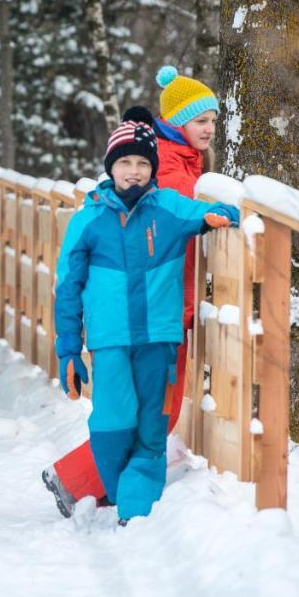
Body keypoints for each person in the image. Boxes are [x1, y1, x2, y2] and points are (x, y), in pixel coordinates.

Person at [43, 66, 223, 517]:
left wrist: (222, 216)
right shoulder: (169, 171)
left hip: (159, 316)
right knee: (144, 415)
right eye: (199, 120)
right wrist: (68, 346)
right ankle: (81, 482)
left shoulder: (175, 163)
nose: (208, 129)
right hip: (160, 310)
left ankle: (116, 493)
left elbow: (196, 215)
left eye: (213, 121)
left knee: (150, 416)